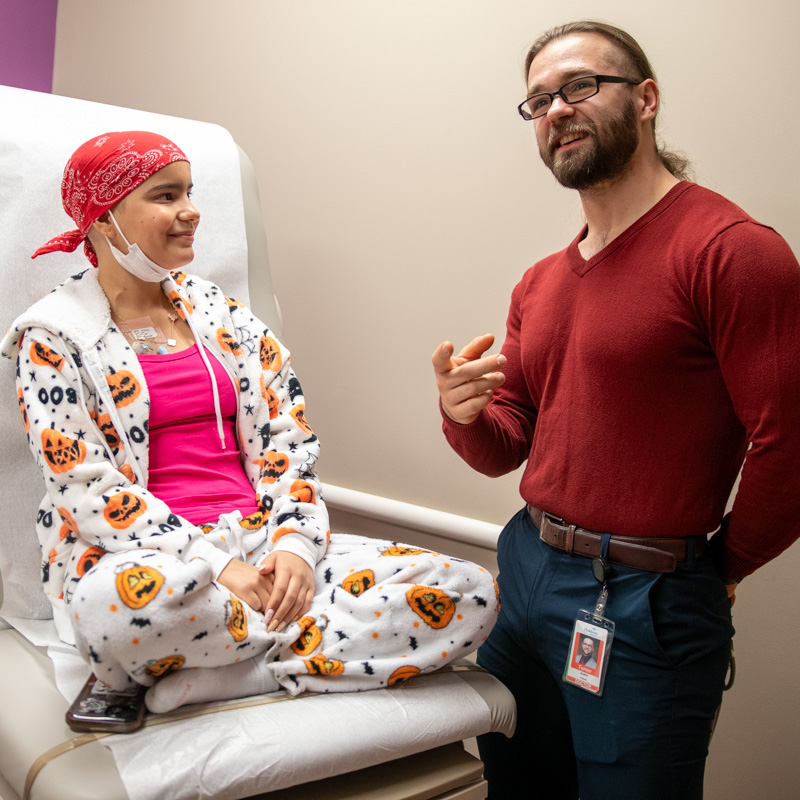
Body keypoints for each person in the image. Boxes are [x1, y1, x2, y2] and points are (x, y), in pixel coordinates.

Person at [3, 130, 498, 716]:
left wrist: (292, 546)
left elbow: (287, 438)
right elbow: (86, 489)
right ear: (104, 219)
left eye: (189, 193)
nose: (191, 212)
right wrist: (217, 567)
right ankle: (303, 643)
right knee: (114, 612)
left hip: (263, 538)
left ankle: (230, 676)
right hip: (153, 562)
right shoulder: (52, 338)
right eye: (166, 197)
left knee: (470, 591)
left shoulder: (219, 314)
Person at [431, 20, 800, 800]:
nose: (556, 109)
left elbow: (791, 445)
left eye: (579, 86)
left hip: (643, 596)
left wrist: (712, 573)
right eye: (537, 100)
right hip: (526, 569)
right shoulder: (540, 281)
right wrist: (462, 412)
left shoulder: (731, 251)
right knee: (515, 782)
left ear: (647, 100)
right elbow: (509, 444)